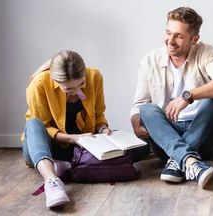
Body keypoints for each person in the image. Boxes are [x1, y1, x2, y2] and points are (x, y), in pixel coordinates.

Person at [22, 50, 150, 208]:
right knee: (34, 124)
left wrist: (103, 129)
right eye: (68, 89)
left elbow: (98, 115)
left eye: (81, 84)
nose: (76, 91)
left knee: (142, 148)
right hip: (48, 147)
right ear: (55, 80)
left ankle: (66, 166)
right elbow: (44, 127)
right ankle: (52, 179)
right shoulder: (39, 84)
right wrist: (73, 138)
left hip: (82, 146)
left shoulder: (94, 76)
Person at [130, 7, 213, 188]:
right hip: (167, 136)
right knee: (147, 110)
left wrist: (188, 96)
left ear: (194, 39)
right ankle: (190, 162)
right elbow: (139, 104)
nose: (170, 41)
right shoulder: (149, 60)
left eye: (179, 36)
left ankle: (178, 160)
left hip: (204, 135)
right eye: (168, 33)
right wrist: (135, 122)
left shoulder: (207, 53)